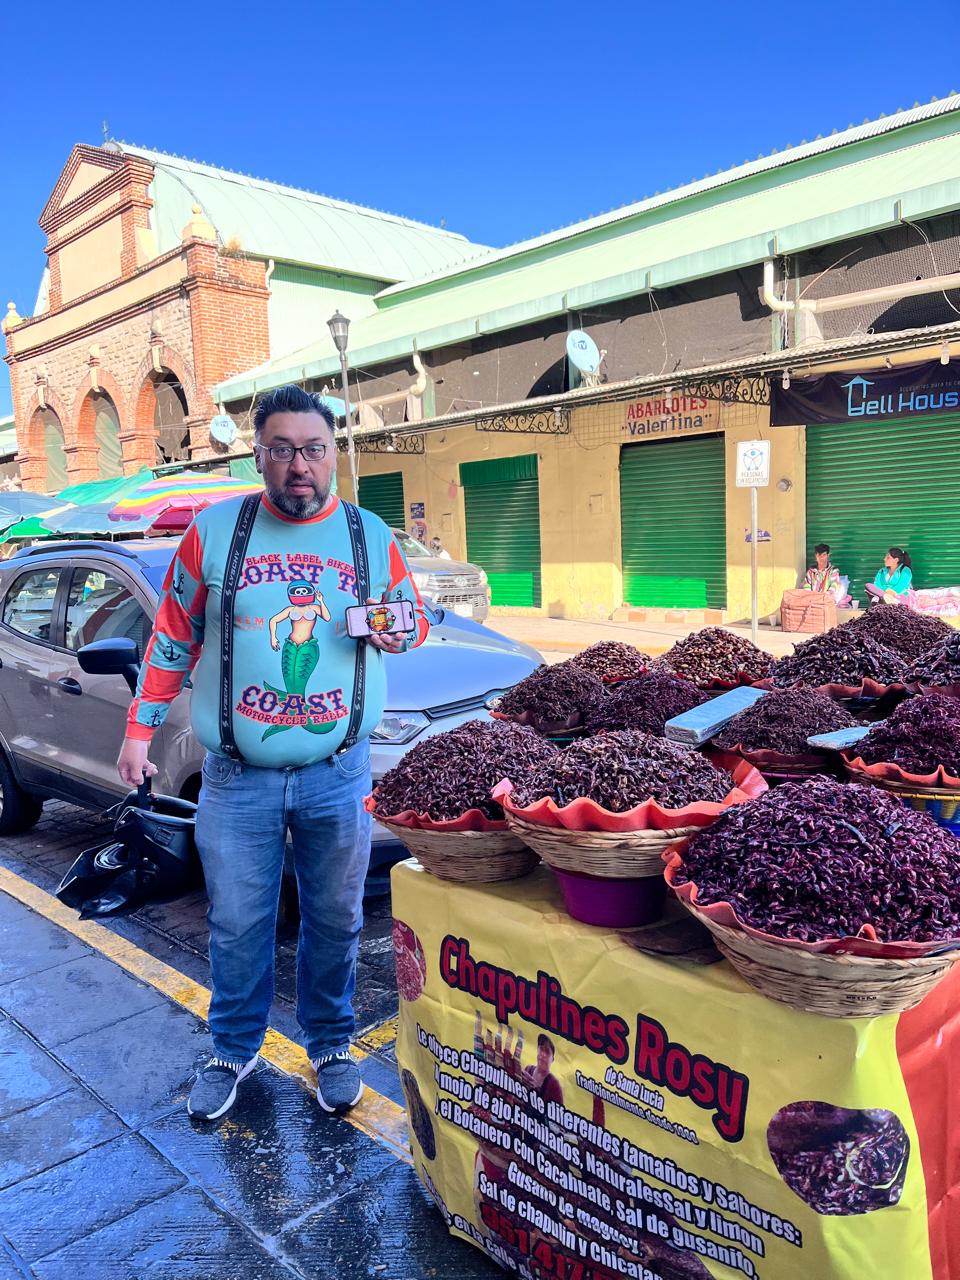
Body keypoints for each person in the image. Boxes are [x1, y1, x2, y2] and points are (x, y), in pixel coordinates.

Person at [116, 385, 430, 1121]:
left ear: (332, 457)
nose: (299, 465)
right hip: (236, 778)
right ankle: (231, 1047)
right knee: (237, 921)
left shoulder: (367, 535)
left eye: (313, 449)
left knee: (337, 919)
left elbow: (410, 620)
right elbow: (173, 634)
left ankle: (330, 1044)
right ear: (257, 454)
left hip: (337, 773)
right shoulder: (214, 532)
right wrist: (139, 729)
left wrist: (396, 630)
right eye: (282, 449)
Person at [521, 1033, 563, 1107]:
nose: (543, 1054)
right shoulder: (528, 1069)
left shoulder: (554, 1084)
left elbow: (558, 1115)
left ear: (552, 1059)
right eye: (541, 1049)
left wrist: (536, 1089)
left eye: (547, 1052)